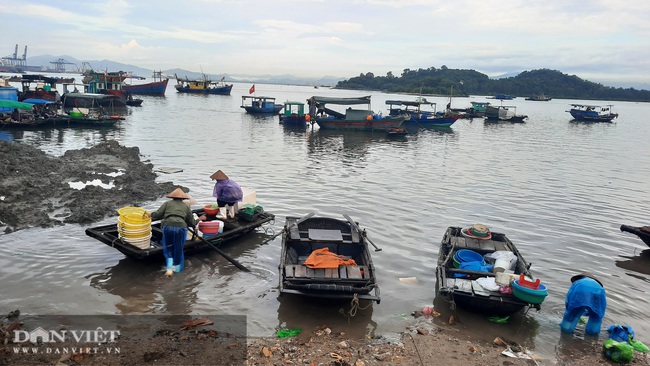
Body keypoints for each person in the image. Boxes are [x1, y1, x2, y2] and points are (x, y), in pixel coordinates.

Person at [147, 188, 206, 275]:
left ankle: (169, 269)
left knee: (168, 247)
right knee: (178, 248)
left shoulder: (167, 203)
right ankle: (177, 269)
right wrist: (199, 219)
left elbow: (157, 214)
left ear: (172, 197)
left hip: (167, 226)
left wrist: (150, 214)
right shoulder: (186, 206)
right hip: (180, 228)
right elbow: (191, 222)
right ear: (183, 199)